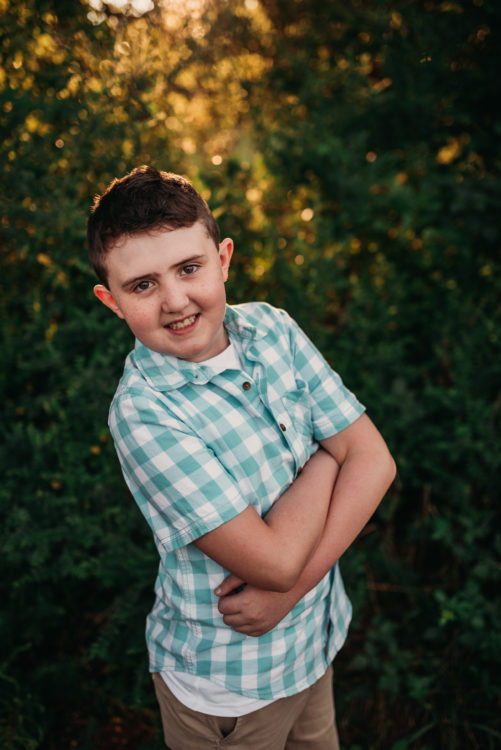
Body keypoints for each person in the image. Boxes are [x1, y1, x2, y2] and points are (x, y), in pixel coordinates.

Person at [87, 165, 396, 750]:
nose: (176, 301)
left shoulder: (271, 329)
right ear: (112, 301)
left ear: (222, 258)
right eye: (143, 285)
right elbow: (272, 563)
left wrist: (292, 591)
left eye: (189, 268)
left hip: (312, 642)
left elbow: (376, 462)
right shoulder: (145, 414)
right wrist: (332, 458)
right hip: (228, 688)